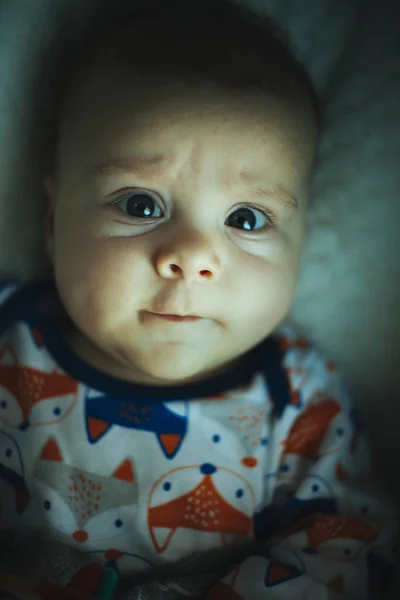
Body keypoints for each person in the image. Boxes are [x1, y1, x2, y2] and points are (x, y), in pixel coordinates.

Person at [0, 0, 396, 598]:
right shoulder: (9, 339)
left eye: (247, 217)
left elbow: (342, 545)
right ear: (54, 222)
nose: (193, 255)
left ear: (302, 244)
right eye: (140, 205)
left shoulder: (300, 404)